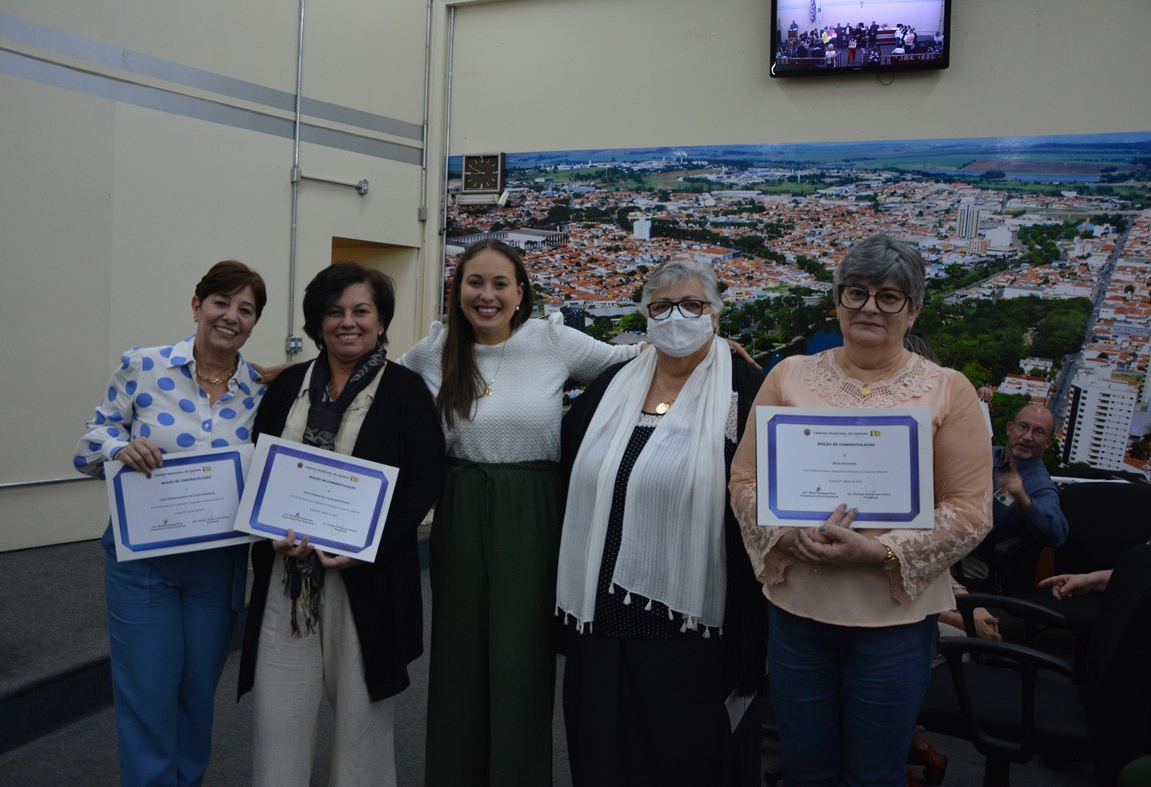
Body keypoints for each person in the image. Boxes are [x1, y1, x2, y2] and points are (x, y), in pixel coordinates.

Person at [729, 234, 992, 786]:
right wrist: (785, 535)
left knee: (875, 773)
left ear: (913, 310)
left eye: (889, 296)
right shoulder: (788, 376)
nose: (870, 307)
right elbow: (745, 481)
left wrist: (878, 552)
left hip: (894, 623)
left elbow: (970, 511)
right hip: (797, 615)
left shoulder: (949, 390)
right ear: (838, 301)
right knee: (806, 770)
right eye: (857, 292)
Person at [401, 239, 641, 786]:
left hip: (533, 512)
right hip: (460, 507)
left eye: (499, 284)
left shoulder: (551, 340)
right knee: (459, 655)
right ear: (457, 289)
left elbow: (629, 362)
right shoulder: (435, 349)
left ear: (520, 292)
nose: (486, 295)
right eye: (475, 282)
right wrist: (296, 375)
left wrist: (711, 350)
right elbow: (376, 385)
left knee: (521, 658)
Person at [557, 260, 766, 785]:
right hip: (599, 611)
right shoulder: (613, 383)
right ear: (646, 315)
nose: (677, 317)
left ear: (715, 314)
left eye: (692, 305)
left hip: (691, 620)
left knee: (682, 755)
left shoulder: (743, 387)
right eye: (662, 306)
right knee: (602, 748)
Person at [236, 262, 444, 786]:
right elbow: (261, 467)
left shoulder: (406, 390)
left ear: (381, 320)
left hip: (368, 580)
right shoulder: (289, 386)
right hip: (287, 580)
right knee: (277, 721)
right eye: (334, 312)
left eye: (360, 311)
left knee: (361, 729)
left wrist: (369, 546)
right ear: (317, 322)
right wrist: (270, 530)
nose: (347, 322)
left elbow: (425, 481)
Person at [74, 260, 268, 785]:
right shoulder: (143, 365)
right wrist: (118, 448)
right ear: (197, 305)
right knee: (146, 695)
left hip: (217, 567)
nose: (231, 317)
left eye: (246, 309)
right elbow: (88, 445)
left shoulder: (260, 388)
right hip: (144, 564)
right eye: (220, 302)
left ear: (255, 322)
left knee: (196, 697)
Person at [963, 403, 1068, 580]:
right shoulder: (985, 454)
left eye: (1038, 432)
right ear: (1010, 428)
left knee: (919, 566)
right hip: (950, 538)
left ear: (1049, 443)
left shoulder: (1039, 484)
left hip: (980, 562)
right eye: (1023, 427)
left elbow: (1058, 534)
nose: (1027, 437)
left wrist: (1024, 500)